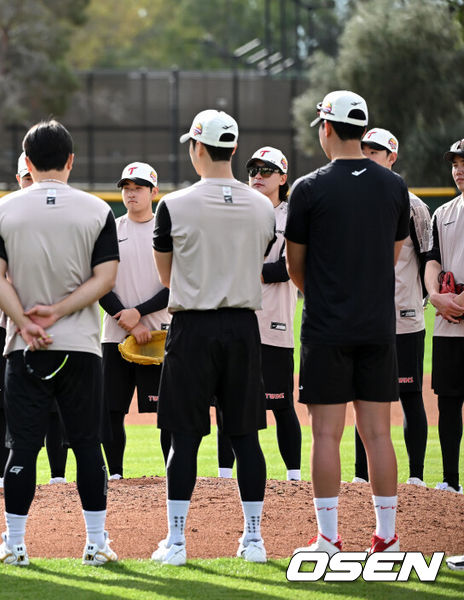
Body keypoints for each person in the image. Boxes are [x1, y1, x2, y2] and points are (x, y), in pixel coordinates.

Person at [0, 120, 119, 567]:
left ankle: (16, 545)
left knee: (22, 447)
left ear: (26, 161)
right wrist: (59, 313)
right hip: (80, 345)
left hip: (24, 349)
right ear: (70, 160)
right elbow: (106, 278)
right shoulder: (98, 210)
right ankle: (96, 544)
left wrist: (24, 322)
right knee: (86, 444)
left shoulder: (1, 210)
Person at [150, 110, 275, 567]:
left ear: (197, 148)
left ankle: (178, 544)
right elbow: (257, 257)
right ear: (235, 149)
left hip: (193, 326)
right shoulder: (263, 206)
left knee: (184, 439)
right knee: (246, 437)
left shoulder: (174, 204)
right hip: (243, 327)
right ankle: (255, 540)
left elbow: (167, 274)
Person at [287, 90, 409, 555]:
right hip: (378, 326)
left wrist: (322, 293)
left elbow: (295, 266)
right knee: (379, 433)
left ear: (327, 128)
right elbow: (392, 255)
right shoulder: (394, 186)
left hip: (326, 327)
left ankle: (328, 538)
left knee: (325, 435)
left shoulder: (309, 187)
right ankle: (387, 537)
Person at [216, 147, 303, 482]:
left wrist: (255, 270)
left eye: (267, 171)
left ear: (283, 178)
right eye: (253, 170)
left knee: (281, 403)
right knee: (228, 401)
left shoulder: (293, 216)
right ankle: (224, 476)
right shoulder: (237, 210)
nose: (258, 176)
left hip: (274, 321)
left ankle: (294, 477)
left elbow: (294, 265)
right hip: (236, 317)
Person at [351, 128, 431, 488]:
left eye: (377, 152)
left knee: (411, 394)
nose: (369, 156)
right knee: (362, 395)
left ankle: (415, 476)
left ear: (392, 157)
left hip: (404, 315)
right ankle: (359, 475)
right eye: (364, 150)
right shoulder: (349, 202)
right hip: (363, 318)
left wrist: (420, 299)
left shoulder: (413, 205)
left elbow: (428, 257)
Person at [0, 152, 68, 488]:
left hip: (56, 327)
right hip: (5, 326)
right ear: (19, 178)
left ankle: (58, 477)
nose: (29, 184)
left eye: (31, 177)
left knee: (55, 408)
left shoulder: (65, 215)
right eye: (24, 178)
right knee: (3, 405)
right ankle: (2, 475)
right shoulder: (2, 214)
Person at [99, 161, 171, 478]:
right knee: (111, 410)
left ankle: (173, 474)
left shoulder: (166, 232)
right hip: (115, 336)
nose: (131, 193)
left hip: (157, 338)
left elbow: (175, 286)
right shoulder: (110, 231)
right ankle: (115, 474)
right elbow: (99, 283)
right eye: (127, 188)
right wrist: (128, 320)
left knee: (166, 412)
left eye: (138, 188)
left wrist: (139, 315)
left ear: (153, 192)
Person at [423, 138, 464, 495]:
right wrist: (436, 296)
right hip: (448, 325)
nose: (459, 169)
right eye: (454, 163)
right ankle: (451, 481)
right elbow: (431, 259)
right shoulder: (443, 213)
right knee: (448, 405)